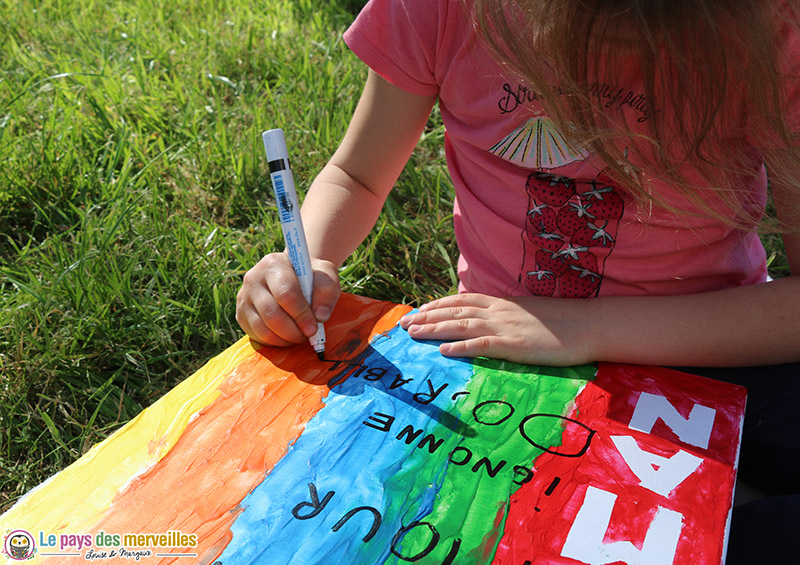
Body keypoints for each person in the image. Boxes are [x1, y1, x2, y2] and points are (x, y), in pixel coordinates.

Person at [237, 0, 799, 561]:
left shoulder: (775, 32)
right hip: (503, 356)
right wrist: (308, 257)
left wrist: (584, 327)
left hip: (712, 346)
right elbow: (356, 175)